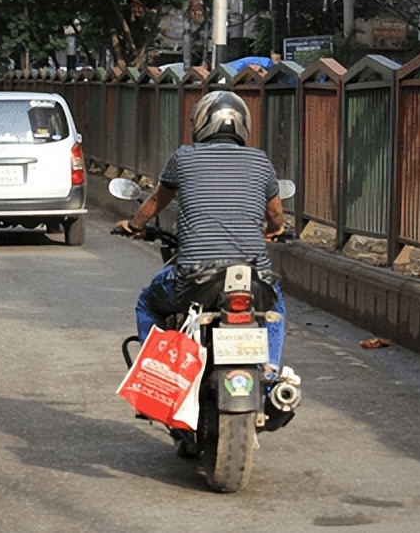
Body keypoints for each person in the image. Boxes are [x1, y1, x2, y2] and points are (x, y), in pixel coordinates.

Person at [116, 91, 296, 425]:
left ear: (200, 124)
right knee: (276, 306)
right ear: (243, 125)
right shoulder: (260, 161)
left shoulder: (184, 158)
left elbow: (157, 200)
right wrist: (273, 231)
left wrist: (133, 224)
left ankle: (160, 378)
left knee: (147, 302)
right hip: (253, 280)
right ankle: (269, 372)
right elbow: (275, 214)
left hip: (195, 279)